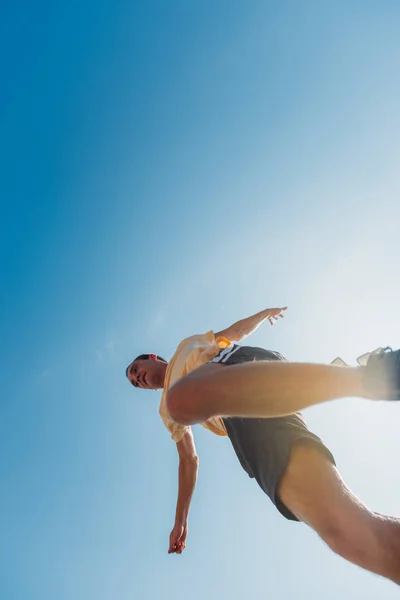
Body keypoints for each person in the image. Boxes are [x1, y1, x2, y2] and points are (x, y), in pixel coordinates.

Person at [126, 306, 400, 584]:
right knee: (346, 532)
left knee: (180, 400)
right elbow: (188, 460)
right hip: (248, 423)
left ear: (151, 357)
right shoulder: (167, 414)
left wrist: (263, 314)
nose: (138, 378)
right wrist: (180, 520)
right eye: (135, 382)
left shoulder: (186, 346)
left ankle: (372, 377)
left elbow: (234, 332)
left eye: (136, 370)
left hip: (237, 364)